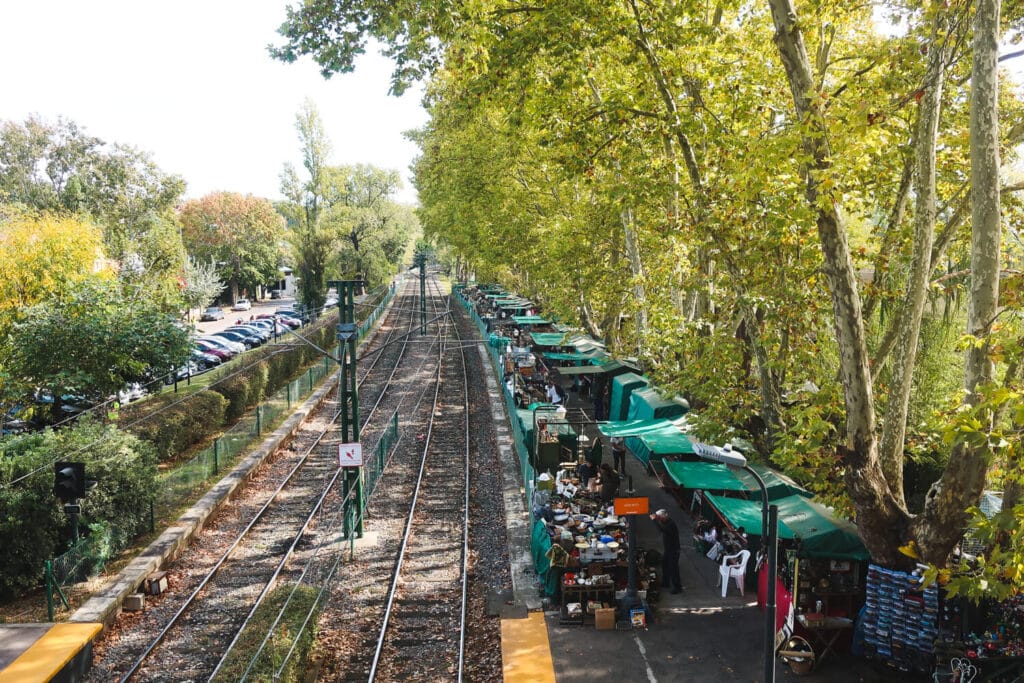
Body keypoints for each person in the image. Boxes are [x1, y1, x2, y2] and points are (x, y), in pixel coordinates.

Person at [651, 509, 682, 594]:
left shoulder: (670, 524)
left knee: (673, 569)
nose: (659, 519)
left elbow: (661, 529)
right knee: (665, 564)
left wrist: (654, 520)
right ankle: (666, 582)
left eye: (659, 518)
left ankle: (677, 587)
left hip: (673, 550)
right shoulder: (666, 522)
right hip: (668, 549)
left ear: (663, 516)